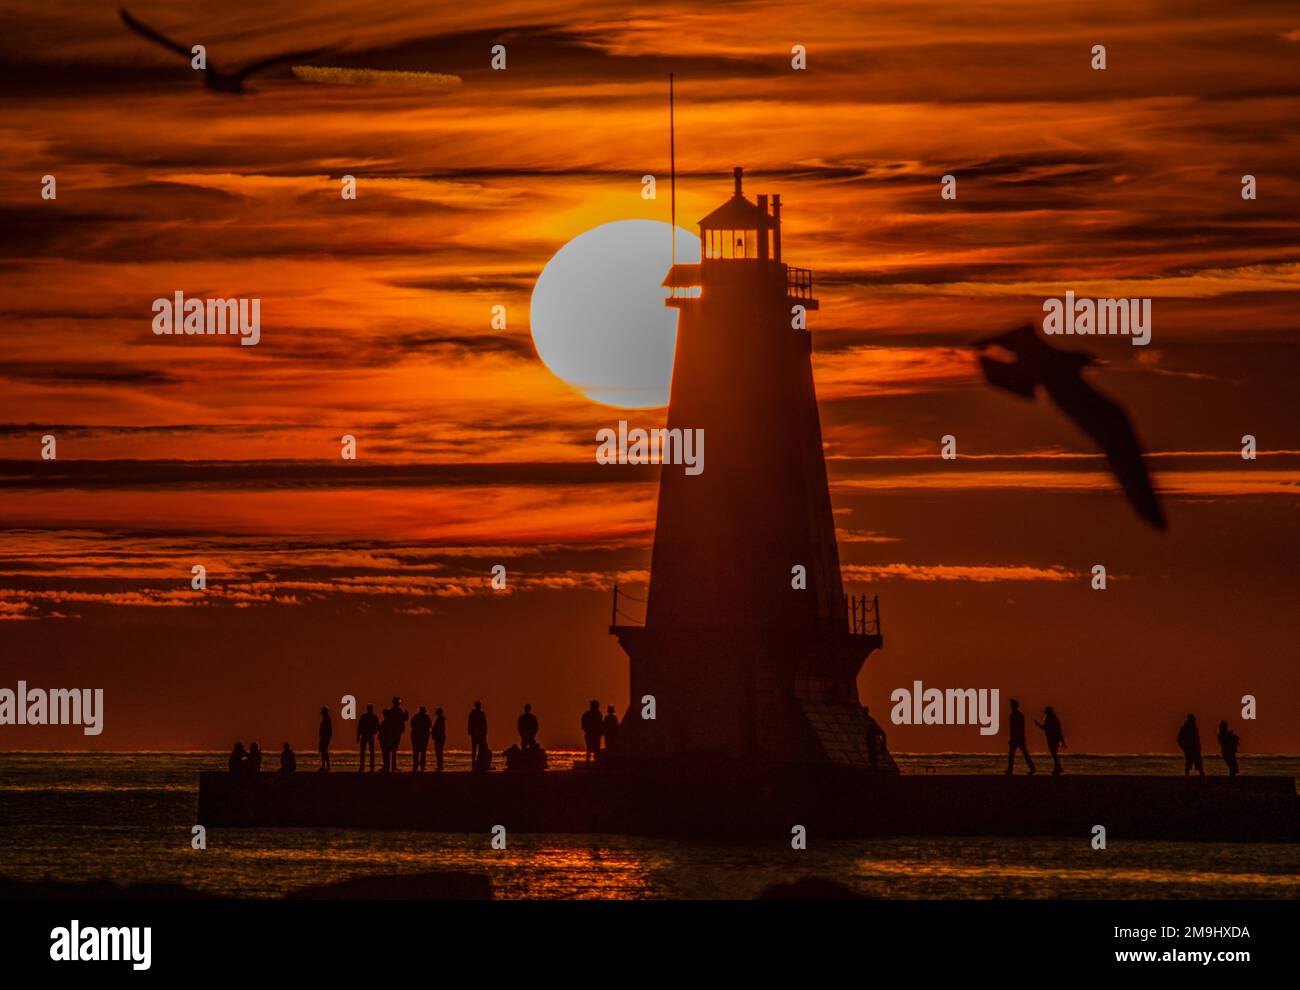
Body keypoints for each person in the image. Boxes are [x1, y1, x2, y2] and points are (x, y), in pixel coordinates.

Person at [1004, 699, 1035, 775]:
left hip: (1018, 738)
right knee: (1013, 755)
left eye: (1012, 705)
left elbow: (1020, 727)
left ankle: (1032, 768)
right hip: (1016, 738)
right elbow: (1012, 728)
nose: (1011, 707)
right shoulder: (1014, 715)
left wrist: (1020, 737)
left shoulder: (1018, 715)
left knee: (1021, 754)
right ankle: (1010, 769)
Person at [1034, 706, 1067, 776]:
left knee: (1053, 754)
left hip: (1051, 738)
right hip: (1056, 738)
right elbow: (1059, 730)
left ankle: (1060, 768)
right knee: (1054, 753)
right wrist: (1062, 740)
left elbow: (1044, 728)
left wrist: (1037, 724)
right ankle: (1056, 769)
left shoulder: (1048, 719)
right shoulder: (1055, 719)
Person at [357, 703, 380, 772]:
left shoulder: (365, 716)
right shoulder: (373, 716)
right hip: (368, 735)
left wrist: (358, 735)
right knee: (369, 752)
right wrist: (358, 735)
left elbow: (359, 726)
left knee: (365, 752)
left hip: (367, 735)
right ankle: (369, 767)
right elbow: (360, 726)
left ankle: (364, 767)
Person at [410, 706, 433, 771]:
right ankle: (422, 766)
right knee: (423, 752)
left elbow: (412, 725)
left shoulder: (416, 717)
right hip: (423, 737)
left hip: (416, 736)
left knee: (416, 752)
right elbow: (430, 726)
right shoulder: (426, 717)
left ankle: (415, 766)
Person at [468, 701, 488, 768]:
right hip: (475, 734)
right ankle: (474, 761)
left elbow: (484, 724)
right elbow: (470, 723)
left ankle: (478, 762)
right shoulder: (474, 714)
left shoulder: (480, 714)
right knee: (474, 748)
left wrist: (484, 732)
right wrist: (471, 732)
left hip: (480, 734)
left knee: (479, 749)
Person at [318, 705, 332, 772]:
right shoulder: (326, 718)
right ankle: (324, 766)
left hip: (325, 737)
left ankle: (326, 766)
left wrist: (326, 737)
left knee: (324, 751)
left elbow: (328, 730)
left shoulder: (327, 719)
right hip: (324, 737)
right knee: (323, 751)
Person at [432, 706, 447, 771]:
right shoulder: (440, 719)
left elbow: (438, 729)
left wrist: (434, 734)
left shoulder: (440, 719)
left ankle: (440, 765)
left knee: (438, 752)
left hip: (439, 737)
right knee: (439, 752)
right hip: (440, 737)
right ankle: (440, 765)